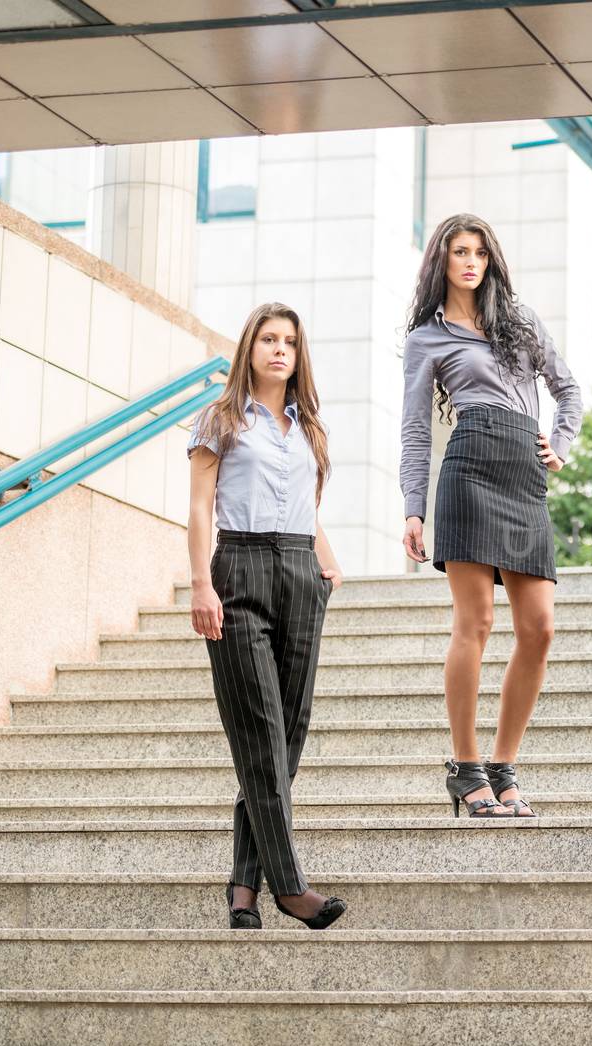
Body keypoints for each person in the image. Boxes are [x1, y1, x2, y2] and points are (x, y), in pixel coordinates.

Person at [400, 213, 582, 819]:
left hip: (524, 474)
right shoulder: (428, 338)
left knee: (540, 628)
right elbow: (415, 429)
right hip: (469, 471)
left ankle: (505, 764)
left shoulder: (520, 320)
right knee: (474, 623)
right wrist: (413, 508)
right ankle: (467, 766)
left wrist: (560, 443)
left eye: (479, 251)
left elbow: (569, 389)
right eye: (459, 252)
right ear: (443, 262)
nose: (471, 262)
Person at [188, 302, 348, 931]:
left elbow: (308, 508)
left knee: (288, 734)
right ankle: (290, 888)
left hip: (301, 572)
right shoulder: (220, 419)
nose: (279, 349)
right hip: (240, 569)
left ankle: (242, 886)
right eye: (268, 339)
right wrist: (202, 583)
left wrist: (328, 566)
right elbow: (201, 509)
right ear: (249, 348)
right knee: (259, 731)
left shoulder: (309, 427)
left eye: (289, 341)